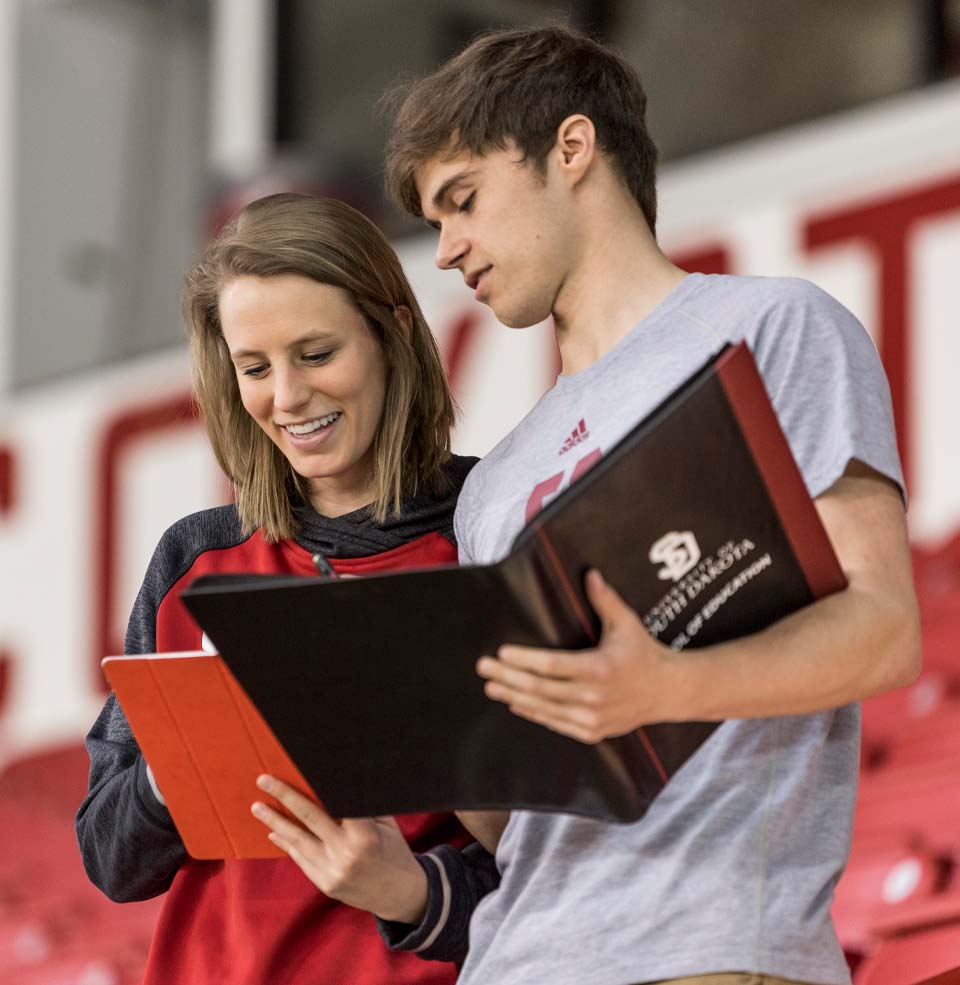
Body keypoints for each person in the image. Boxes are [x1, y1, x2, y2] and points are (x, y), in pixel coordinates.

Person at [277, 24, 920, 985]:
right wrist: (408, 749)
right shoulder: (492, 485)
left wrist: (663, 687)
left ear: (572, 150)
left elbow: (884, 634)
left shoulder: (770, 328)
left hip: (701, 949)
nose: (447, 250)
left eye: (463, 202)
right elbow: (515, 816)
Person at [75, 192, 479, 985]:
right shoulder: (196, 559)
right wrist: (190, 755)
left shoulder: (490, 529)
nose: (286, 397)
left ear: (394, 332)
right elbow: (109, 857)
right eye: (255, 368)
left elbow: (564, 871)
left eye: (317, 353)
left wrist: (411, 892)